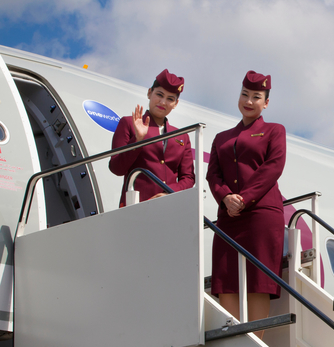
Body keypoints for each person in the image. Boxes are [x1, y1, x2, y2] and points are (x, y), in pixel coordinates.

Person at [206, 70, 287, 333]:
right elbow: (213, 175)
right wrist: (226, 197)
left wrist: (244, 198)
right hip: (229, 217)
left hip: (261, 214)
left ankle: (256, 345)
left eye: (256, 97)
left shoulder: (274, 131)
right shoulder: (222, 138)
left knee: (257, 281)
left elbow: (273, 167)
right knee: (226, 279)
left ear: (266, 103)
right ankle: (232, 341)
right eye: (244, 95)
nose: (248, 101)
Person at [109, 69, 195, 207]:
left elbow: (188, 178)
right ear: (149, 93)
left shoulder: (182, 136)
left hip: (170, 207)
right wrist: (138, 140)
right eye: (159, 95)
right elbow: (116, 168)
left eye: (170, 99)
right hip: (136, 207)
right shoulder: (128, 123)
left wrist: (170, 192)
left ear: (176, 103)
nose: (163, 102)